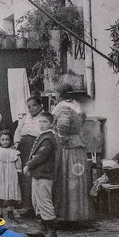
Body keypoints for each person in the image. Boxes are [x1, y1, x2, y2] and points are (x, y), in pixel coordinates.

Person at [51, 93, 91, 225]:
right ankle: (77, 214)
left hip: (67, 148)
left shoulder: (63, 107)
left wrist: (59, 139)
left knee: (66, 178)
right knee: (76, 180)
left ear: (60, 95)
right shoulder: (77, 105)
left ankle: (65, 215)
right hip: (78, 146)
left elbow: (63, 128)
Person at [24, 112, 59, 237]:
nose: (42, 124)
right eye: (40, 122)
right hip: (38, 174)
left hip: (44, 174)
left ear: (51, 124)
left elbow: (41, 156)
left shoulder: (49, 138)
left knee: (45, 202)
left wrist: (28, 166)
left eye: (44, 122)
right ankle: (43, 229)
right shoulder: (42, 136)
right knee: (37, 202)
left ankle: (51, 232)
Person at [0, 130, 21, 216]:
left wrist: (18, 172)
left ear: (11, 140)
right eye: (2, 139)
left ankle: (10, 209)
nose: (5, 142)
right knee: (0, 190)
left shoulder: (14, 152)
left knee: (11, 189)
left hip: (11, 173)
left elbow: (18, 164)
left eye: (7, 139)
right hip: (0, 173)